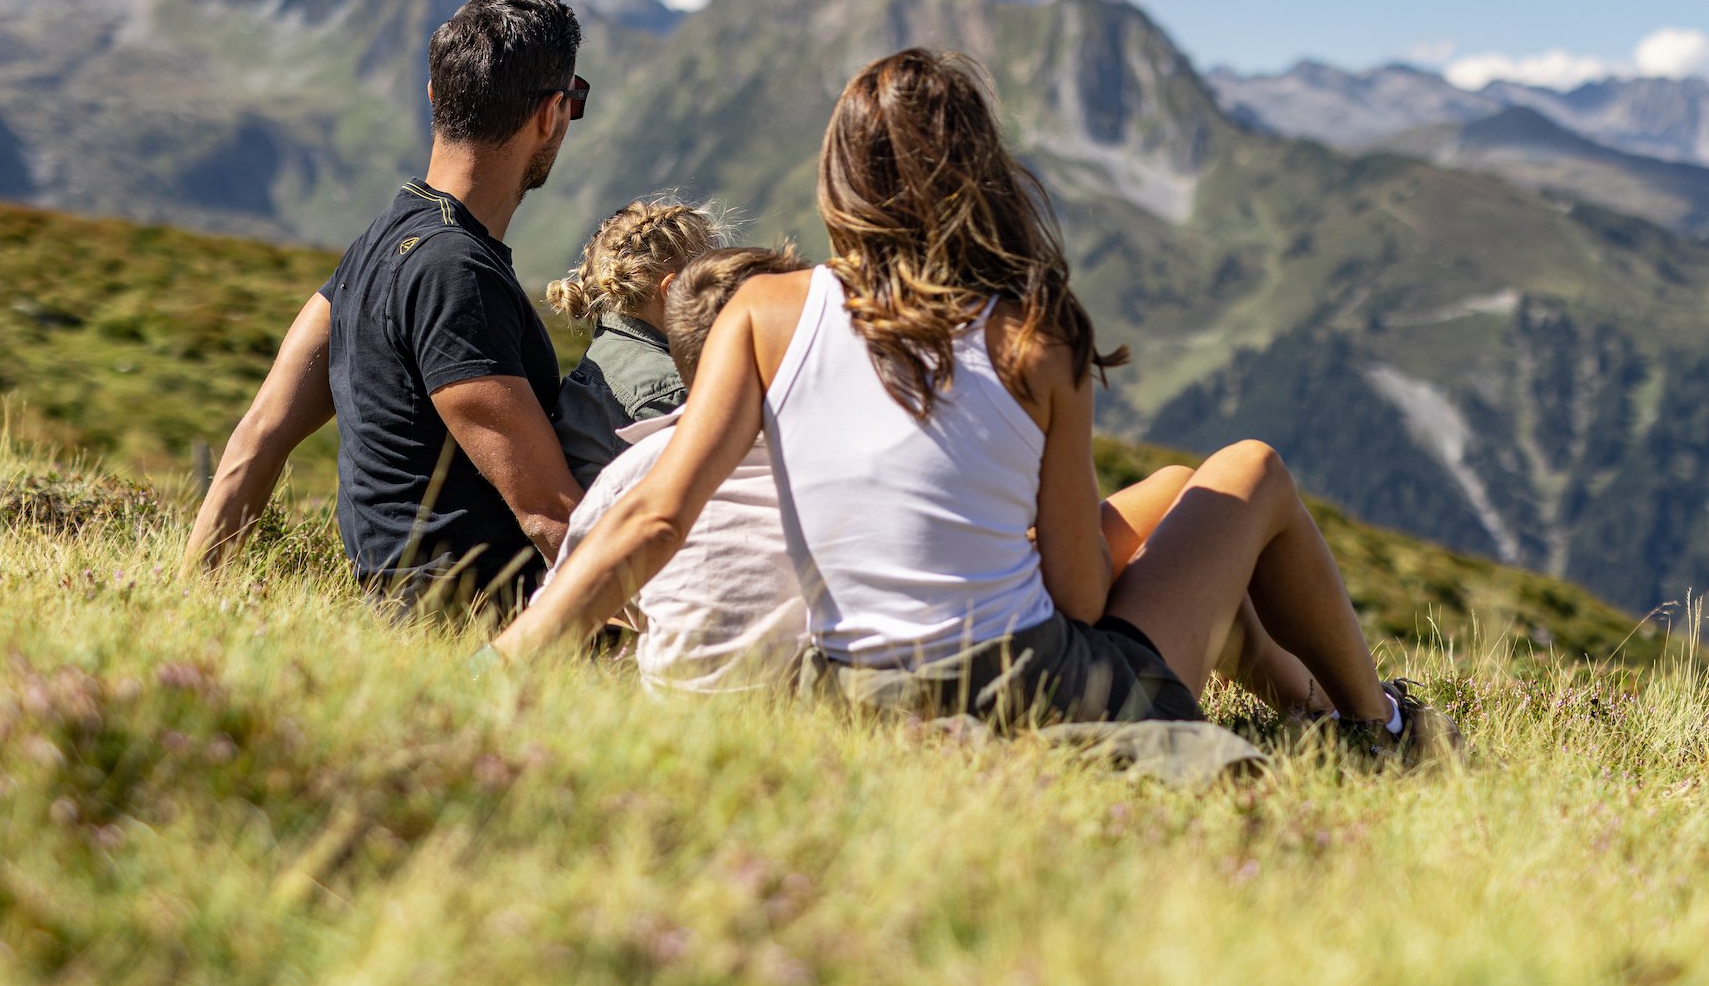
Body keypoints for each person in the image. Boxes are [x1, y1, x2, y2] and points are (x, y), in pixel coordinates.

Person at [503, 48, 1458, 764]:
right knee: (1248, 469)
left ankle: (1309, 706)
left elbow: (657, 514)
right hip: (1031, 693)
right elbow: (1081, 599)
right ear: (978, 174)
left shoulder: (762, 312)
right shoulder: (1039, 338)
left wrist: (514, 656)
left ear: (840, 175)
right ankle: (1381, 726)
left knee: (1175, 501)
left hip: (852, 699)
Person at [182, 0, 601, 621]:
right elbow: (549, 516)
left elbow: (259, 438)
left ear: (435, 97)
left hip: (401, 622)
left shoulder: (376, 246)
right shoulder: (454, 272)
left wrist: (184, 603)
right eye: (574, 101)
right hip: (482, 628)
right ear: (550, 115)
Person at [549, 243, 813, 694]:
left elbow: (566, 604)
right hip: (805, 701)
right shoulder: (820, 458)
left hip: (674, 707)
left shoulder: (630, 471)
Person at [545, 197, 727, 441]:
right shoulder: (670, 391)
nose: (726, 299)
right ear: (675, 290)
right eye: (716, 283)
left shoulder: (603, 358)